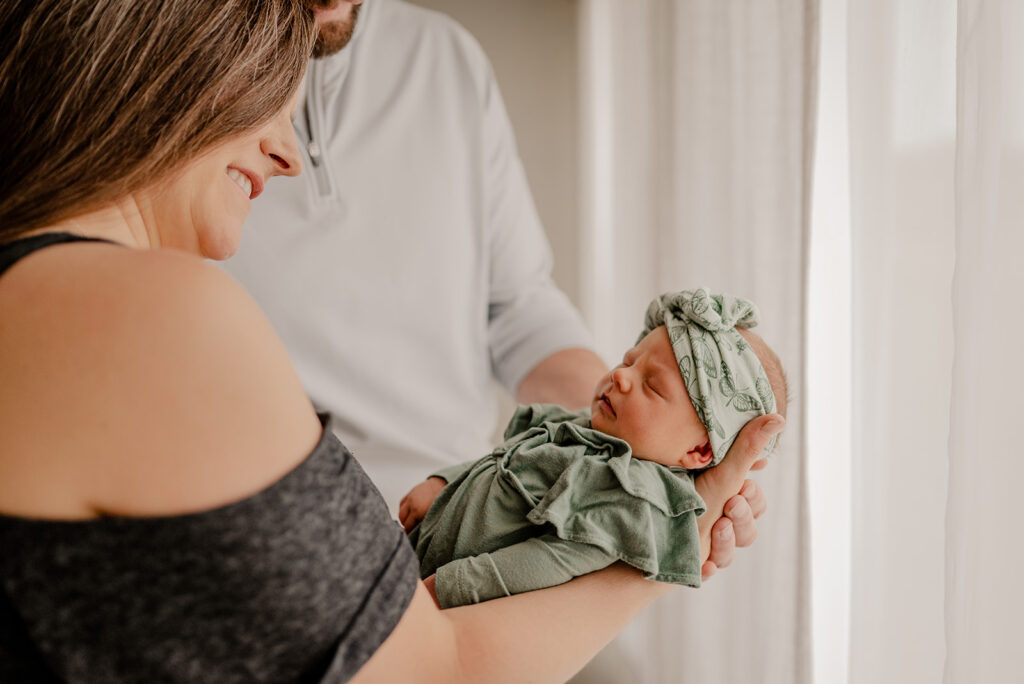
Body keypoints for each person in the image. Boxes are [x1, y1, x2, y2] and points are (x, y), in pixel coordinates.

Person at [0, 2, 783, 683]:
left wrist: (615, 449)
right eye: (261, 82)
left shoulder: (446, 65)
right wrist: (676, 537)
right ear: (164, 54)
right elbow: (437, 669)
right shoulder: (169, 312)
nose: (289, 152)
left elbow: (520, 305)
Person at [222, 0, 767, 579]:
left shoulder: (447, 61)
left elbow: (518, 306)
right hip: (269, 540)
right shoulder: (163, 68)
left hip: (463, 516)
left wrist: (641, 451)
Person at [400, 289, 787, 608]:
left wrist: (448, 587)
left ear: (700, 451)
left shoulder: (630, 496)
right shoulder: (580, 429)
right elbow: (502, 459)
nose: (620, 375)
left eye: (652, 385)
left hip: (443, 594)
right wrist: (442, 483)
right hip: (413, 544)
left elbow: (549, 560)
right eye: (629, 361)